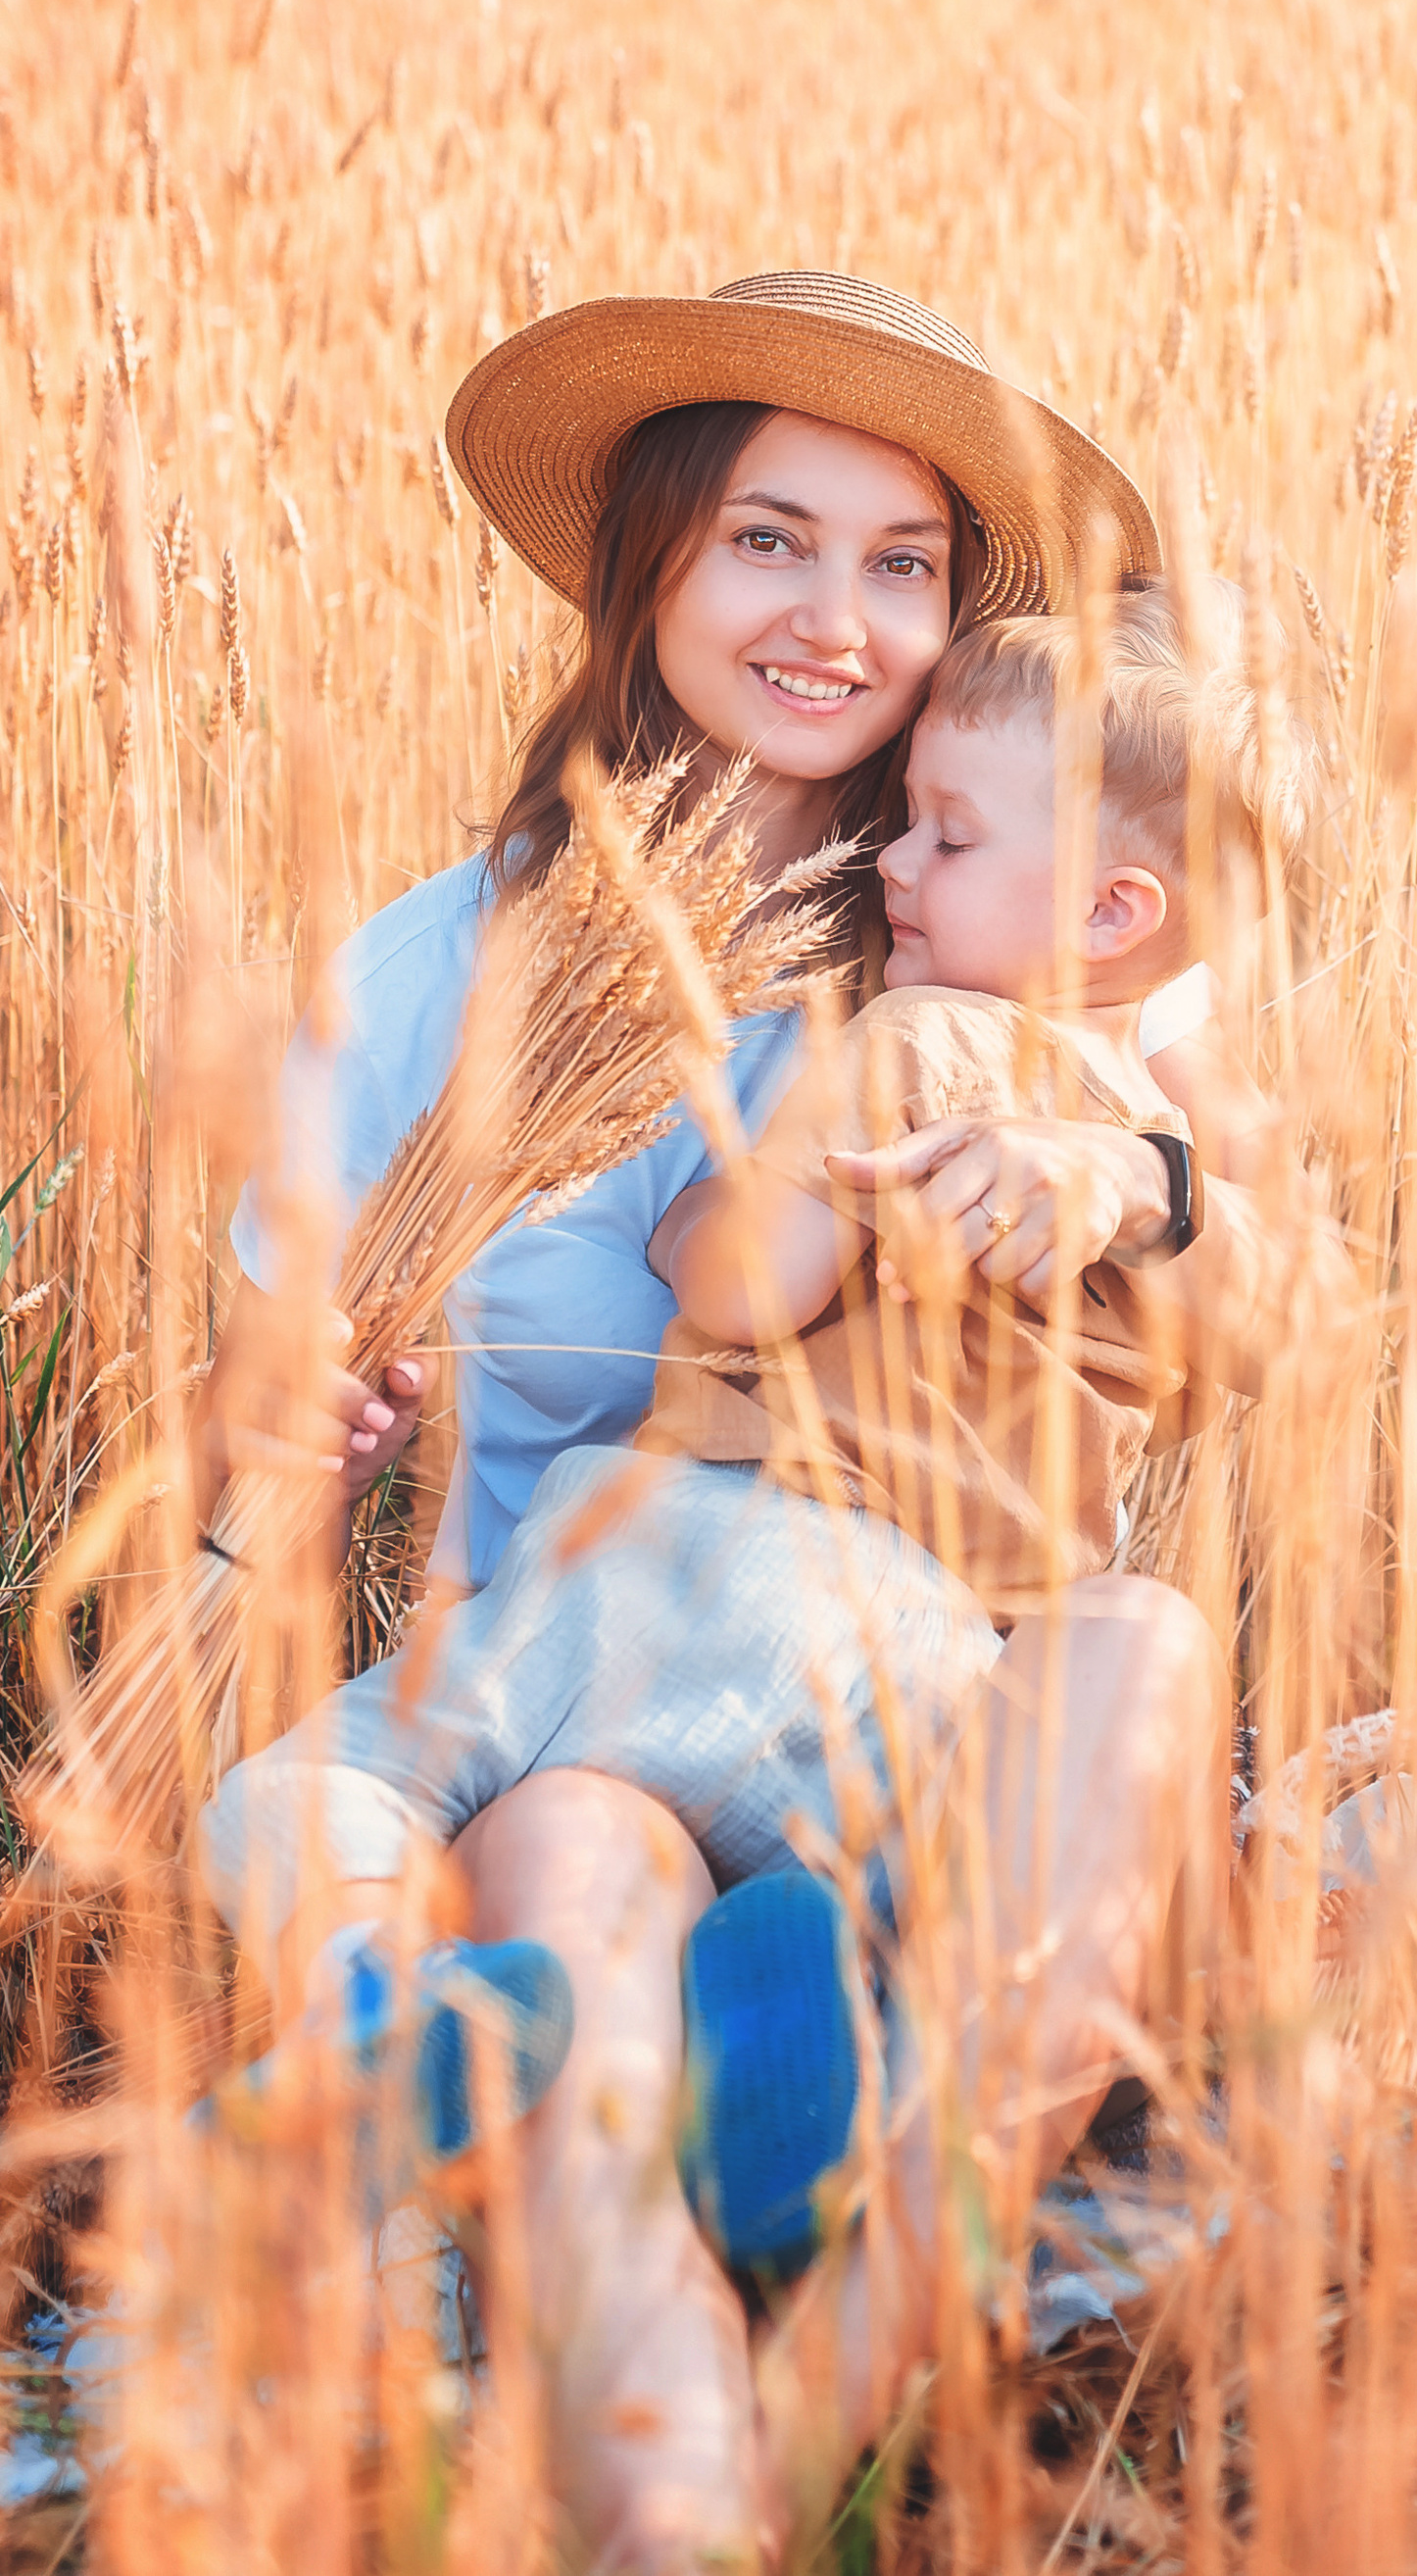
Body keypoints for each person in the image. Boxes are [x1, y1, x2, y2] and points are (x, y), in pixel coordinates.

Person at [187, 272, 1275, 2572]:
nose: (836, 619)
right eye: (770, 538)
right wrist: (304, 1442)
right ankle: (690, 2488)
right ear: (649, 559)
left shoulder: (1011, 915)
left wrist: (1131, 1177)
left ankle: (803, 2366)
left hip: (925, 1758)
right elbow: (231, 1445)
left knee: (1148, 1643)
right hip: (576, 1730)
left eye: (901, 562)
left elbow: (1306, 1293)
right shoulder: (434, 973)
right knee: (567, 1883)